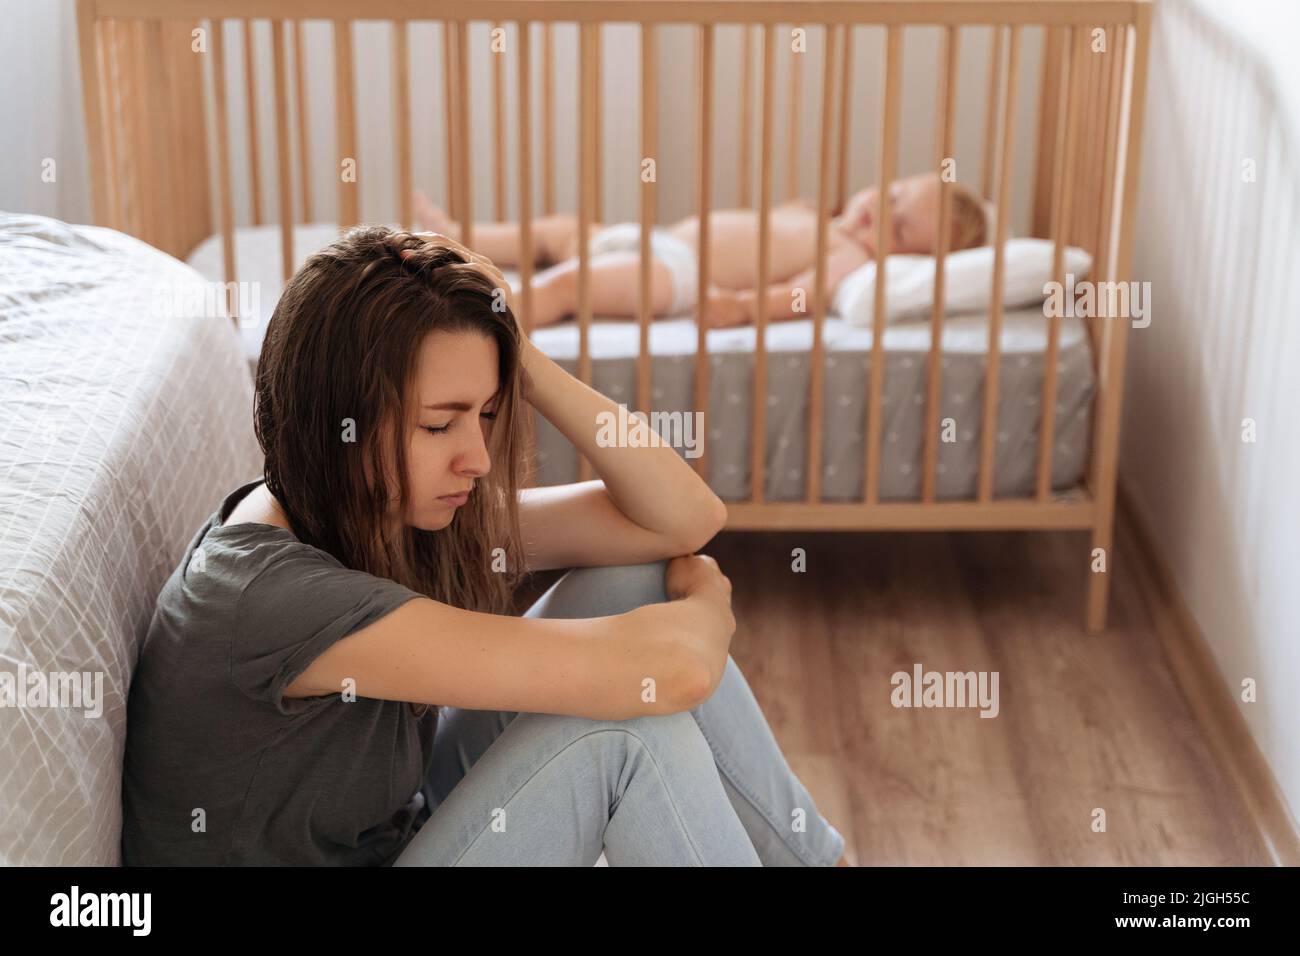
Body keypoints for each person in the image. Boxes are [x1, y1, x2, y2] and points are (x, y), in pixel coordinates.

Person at [120, 226, 849, 866]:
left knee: (638, 582)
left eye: (488, 413)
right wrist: (710, 601)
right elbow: (677, 671)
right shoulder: (271, 598)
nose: (478, 457)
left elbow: (681, 521)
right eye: (440, 426)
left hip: (397, 832)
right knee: (622, 738)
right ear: (336, 420)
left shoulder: (366, 509)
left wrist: (515, 353)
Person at [414, 171, 988, 329]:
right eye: (889, 197)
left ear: (908, 261)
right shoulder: (824, 217)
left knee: (571, 284)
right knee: (559, 232)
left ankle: (483, 315)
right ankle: (457, 232)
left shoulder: (853, 258)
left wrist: (740, 308)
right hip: (650, 236)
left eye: (901, 229)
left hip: (675, 273)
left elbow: (800, 297)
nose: (878, 214)